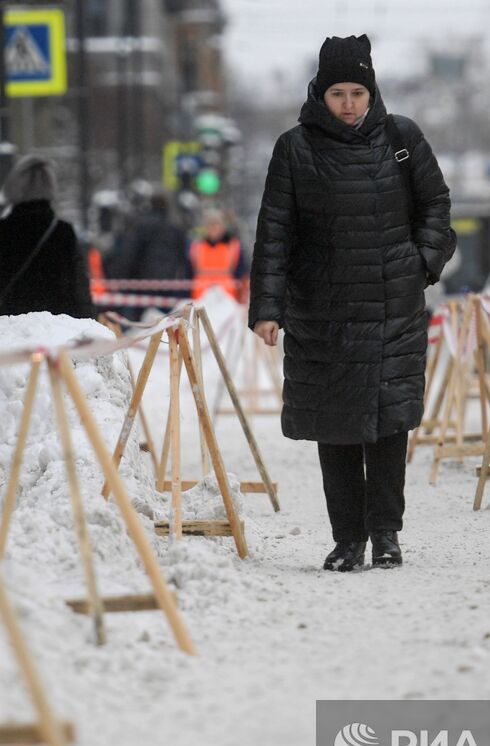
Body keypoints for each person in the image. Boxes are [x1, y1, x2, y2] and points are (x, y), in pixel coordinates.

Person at [249, 34, 456, 572]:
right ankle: (348, 539)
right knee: (335, 428)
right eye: (338, 92)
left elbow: (436, 205)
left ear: (371, 93)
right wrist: (268, 308)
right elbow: (275, 232)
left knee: (389, 426)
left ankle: (386, 534)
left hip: (393, 306)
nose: (348, 103)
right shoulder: (294, 149)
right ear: (321, 92)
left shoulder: (402, 138)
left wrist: (422, 263)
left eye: (357, 92)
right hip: (323, 312)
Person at [0, 156, 96, 319]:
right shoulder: (64, 232)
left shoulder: (1, 230)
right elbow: (80, 289)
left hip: (9, 326)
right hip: (58, 328)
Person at [108, 192, 191, 320]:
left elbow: (129, 254)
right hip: (168, 284)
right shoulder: (175, 228)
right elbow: (184, 257)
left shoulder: (140, 226)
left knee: (139, 326)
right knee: (165, 322)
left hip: (142, 284)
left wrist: (120, 277)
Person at [189, 208, 249, 302]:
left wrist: (242, 297)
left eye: (216, 223)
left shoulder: (234, 246)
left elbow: (241, 274)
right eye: (210, 224)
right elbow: (188, 273)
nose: (213, 228)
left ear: (223, 226)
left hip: (228, 301)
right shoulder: (196, 247)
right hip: (200, 299)